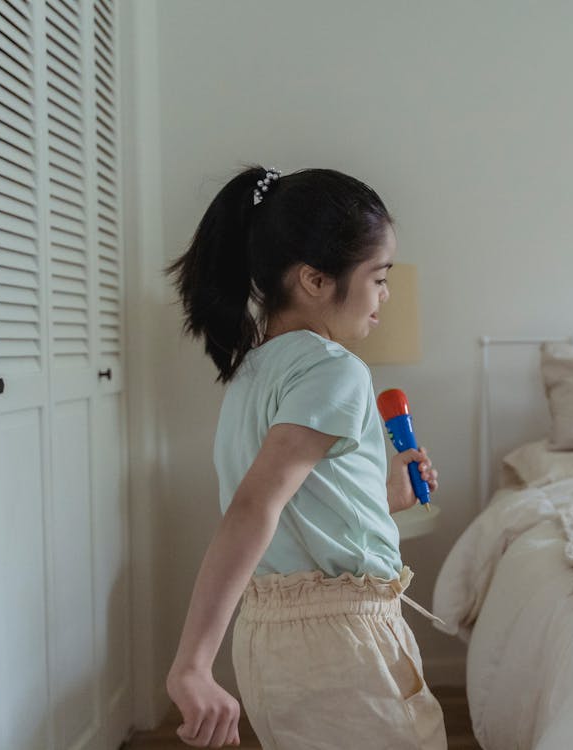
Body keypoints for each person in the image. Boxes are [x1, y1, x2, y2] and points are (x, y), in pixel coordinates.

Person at [164, 166, 446, 749]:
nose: (385, 296)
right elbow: (253, 508)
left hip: (271, 634)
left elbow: (293, 512)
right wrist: (191, 663)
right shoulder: (333, 368)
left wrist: (380, 499)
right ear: (316, 280)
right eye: (379, 277)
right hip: (341, 636)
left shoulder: (254, 369)